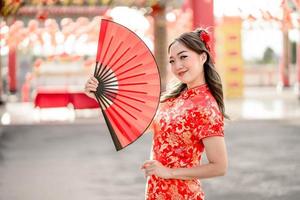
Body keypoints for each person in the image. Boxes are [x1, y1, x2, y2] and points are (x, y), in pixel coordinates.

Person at [84, 28, 228, 200]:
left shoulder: (206, 107)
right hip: (156, 192)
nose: (177, 66)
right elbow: (141, 126)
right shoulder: (174, 99)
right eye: (172, 61)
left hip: (182, 195)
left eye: (183, 57)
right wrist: (101, 96)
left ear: (202, 57)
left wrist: (169, 172)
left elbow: (219, 166)